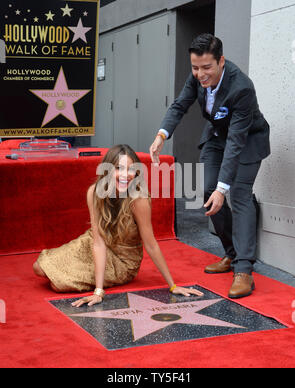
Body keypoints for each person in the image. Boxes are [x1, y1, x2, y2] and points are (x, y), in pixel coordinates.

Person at [149, 33, 270, 299]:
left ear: (221, 62)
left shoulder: (242, 88)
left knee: (237, 196)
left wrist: (222, 188)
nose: (201, 74)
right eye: (195, 67)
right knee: (206, 192)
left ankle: (244, 270)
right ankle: (231, 253)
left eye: (206, 68)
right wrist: (161, 136)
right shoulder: (197, 78)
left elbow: (237, 142)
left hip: (247, 141)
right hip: (217, 137)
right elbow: (179, 105)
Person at [33, 144, 203, 306]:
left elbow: (151, 244)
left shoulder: (138, 199)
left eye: (131, 169)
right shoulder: (94, 191)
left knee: (58, 284)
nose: (125, 174)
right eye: (119, 168)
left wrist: (173, 285)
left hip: (123, 260)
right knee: (39, 267)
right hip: (96, 242)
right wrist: (98, 291)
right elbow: (98, 241)